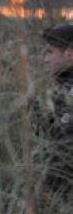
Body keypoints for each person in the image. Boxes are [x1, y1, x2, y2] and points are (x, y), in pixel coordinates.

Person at [33, 23, 73, 202]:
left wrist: (47, 196)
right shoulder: (61, 91)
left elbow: (62, 152)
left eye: (50, 52)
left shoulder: (68, 96)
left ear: (69, 55)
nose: (45, 59)